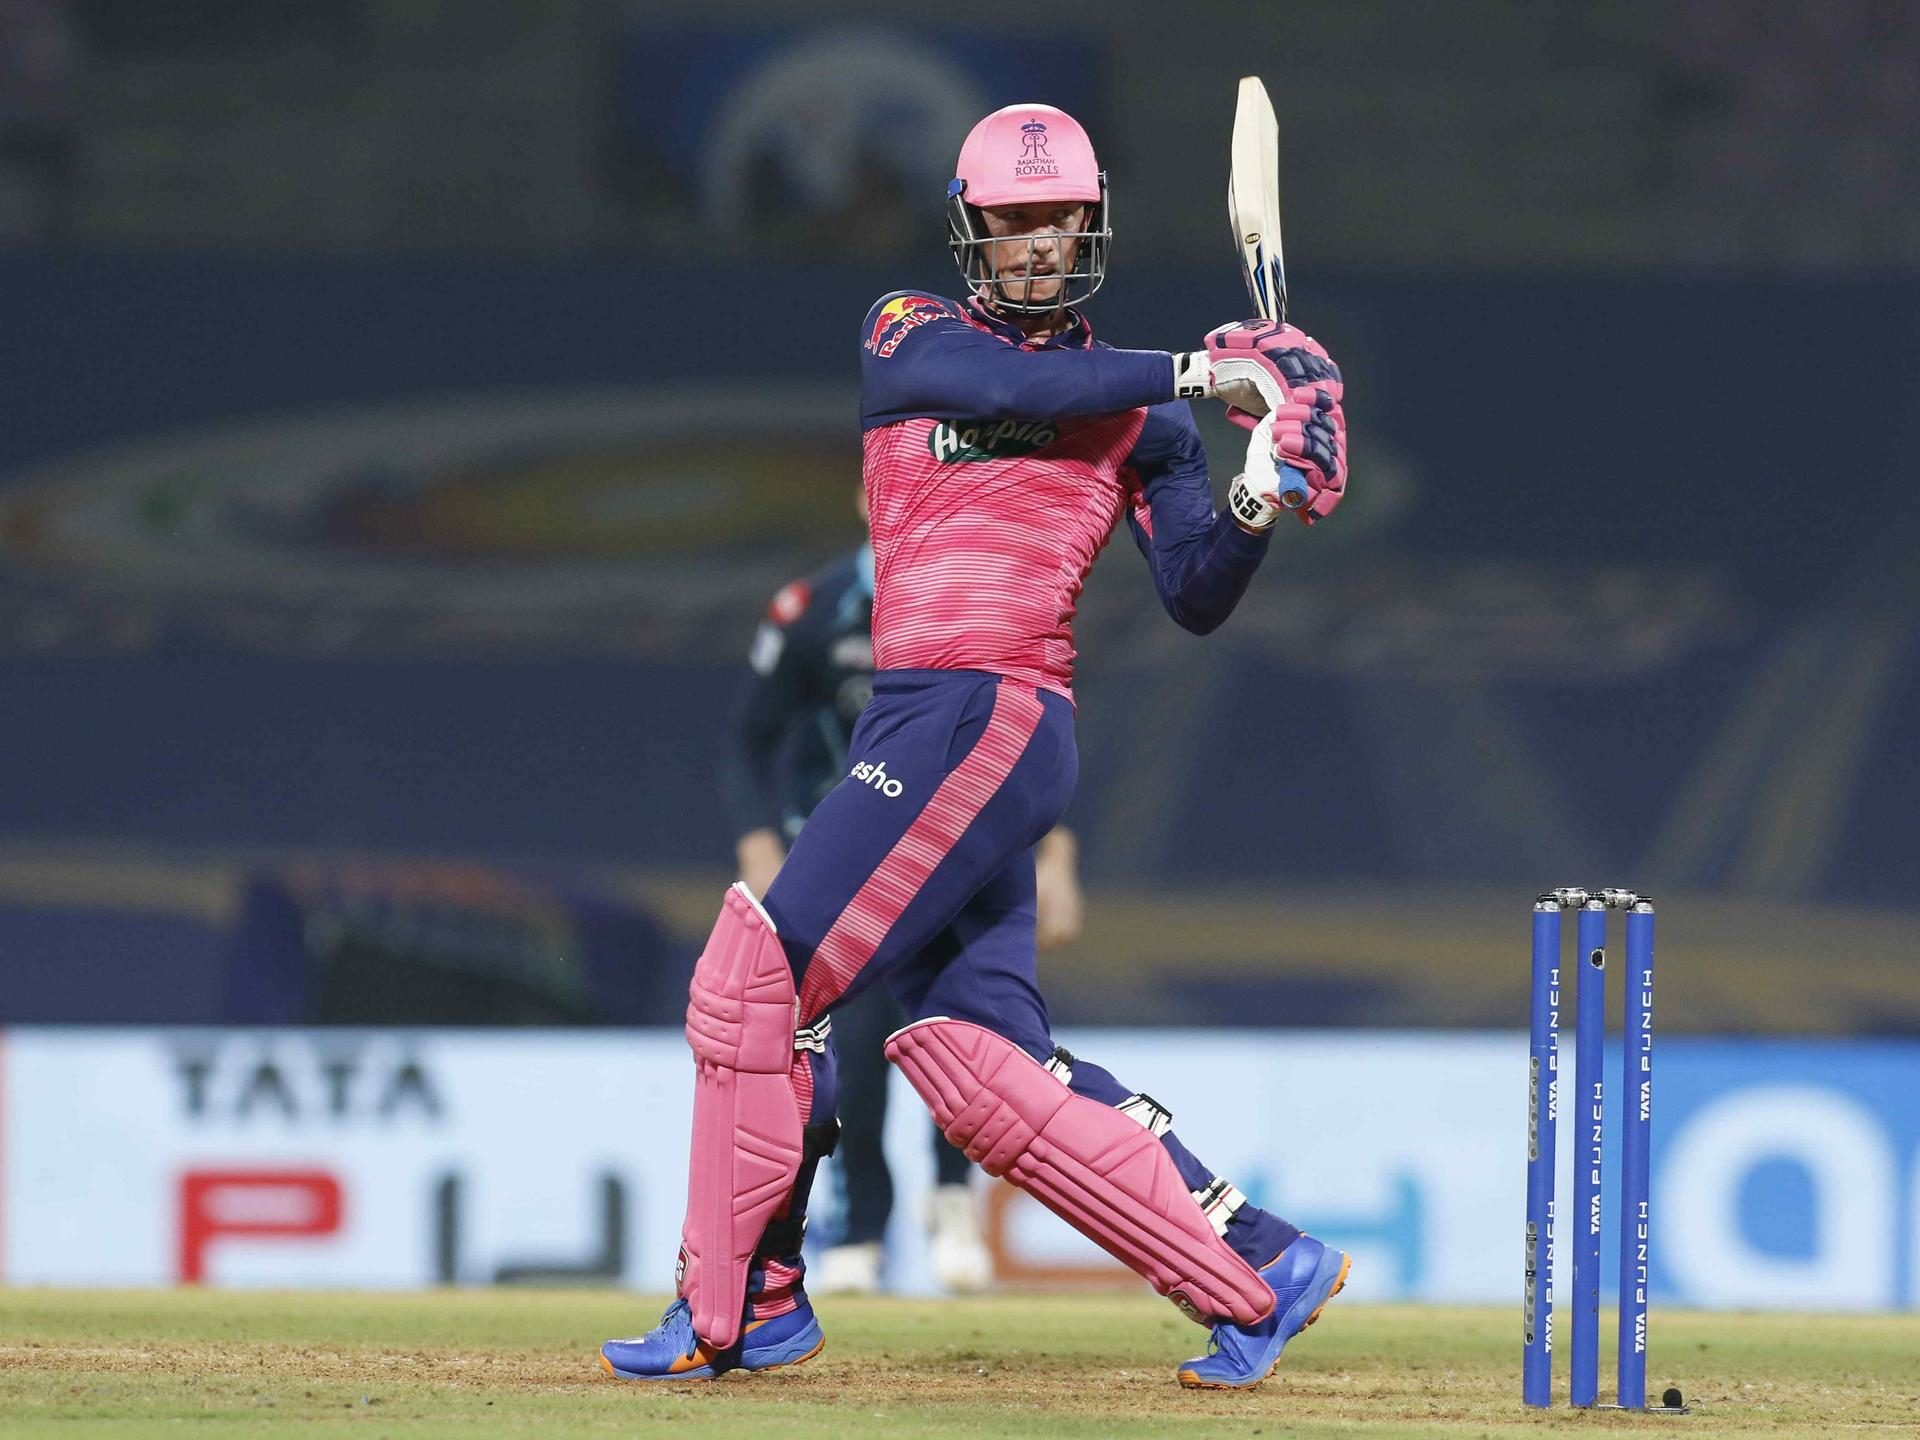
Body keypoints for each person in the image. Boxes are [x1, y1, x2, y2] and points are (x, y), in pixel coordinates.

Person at [603, 102, 1350, 1390]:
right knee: (985, 1065)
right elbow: (1015, 389)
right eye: (1015, 221)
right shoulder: (911, 334)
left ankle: (745, 1305)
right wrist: (1205, 368)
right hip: (935, 721)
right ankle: (1262, 1264)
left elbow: (1196, 593)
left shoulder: (1150, 419)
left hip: (985, 715)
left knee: (755, 986)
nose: (1040, 244)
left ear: (1092, 227)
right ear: (971, 231)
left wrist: (1256, 488)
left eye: (1061, 220)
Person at [722, 520, 1085, 1294]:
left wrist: (1056, 855)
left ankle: (953, 1202)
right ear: (868, 493)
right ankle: (861, 1230)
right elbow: (750, 740)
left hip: (950, 848)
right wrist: (759, 845)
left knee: (964, 1031)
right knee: (854, 1046)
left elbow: (1023, 732)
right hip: (844, 858)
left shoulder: (982, 597)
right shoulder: (815, 609)